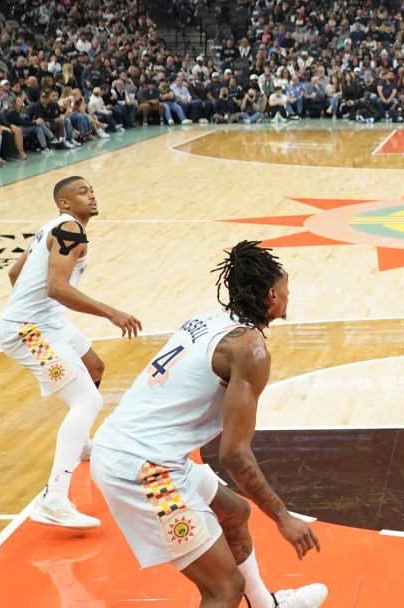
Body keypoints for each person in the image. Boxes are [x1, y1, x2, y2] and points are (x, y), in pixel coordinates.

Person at [90, 242, 327, 608]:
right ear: (271, 296)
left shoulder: (209, 320)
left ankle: (267, 605)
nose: (288, 295)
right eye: (286, 289)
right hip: (144, 470)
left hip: (130, 448)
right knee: (224, 590)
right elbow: (233, 454)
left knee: (236, 513)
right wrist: (283, 517)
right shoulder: (249, 349)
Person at [0, 176, 142, 529]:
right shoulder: (70, 231)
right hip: (29, 331)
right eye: (82, 191)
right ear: (64, 203)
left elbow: (15, 273)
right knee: (87, 402)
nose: (91, 194)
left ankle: (80, 445)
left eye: (92, 189)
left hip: (46, 323)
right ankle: (54, 499)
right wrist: (112, 312)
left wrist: (33, 304)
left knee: (93, 367)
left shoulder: (55, 227)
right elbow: (57, 287)